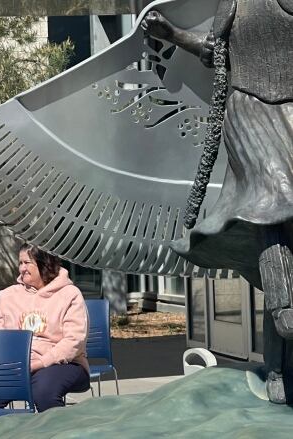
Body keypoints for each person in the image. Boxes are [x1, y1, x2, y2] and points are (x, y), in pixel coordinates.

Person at [141, 0, 293, 403]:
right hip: (248, 111)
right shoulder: (234, 2)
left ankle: (279, 367)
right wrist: (172, 35)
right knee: (272, 198)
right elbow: (215, 51)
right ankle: (286, 311)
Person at [0, 243, 89, 412]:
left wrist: (41, 362)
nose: (22, 268)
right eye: (20, 263)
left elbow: (74, 341)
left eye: (27, 263)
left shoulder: (70, 294)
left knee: (44, 391)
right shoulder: (8, 295)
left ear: (45, 264)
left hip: (64, 364)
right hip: (19, 364)